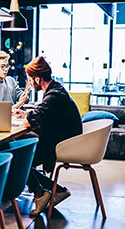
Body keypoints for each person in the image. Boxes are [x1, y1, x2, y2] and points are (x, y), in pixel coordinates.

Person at [13, 56, 83, 216]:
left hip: (63, 144)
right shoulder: (56, 89)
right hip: (63, 139)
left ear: (37, 78)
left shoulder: (53, 95)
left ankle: (40, 194)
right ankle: (56, 190)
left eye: (30, 79)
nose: (29, 83)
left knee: (18, 154)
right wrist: (26, 114)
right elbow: (42, 114)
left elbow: (33, 119)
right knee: (21, 148)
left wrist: (26, 117)